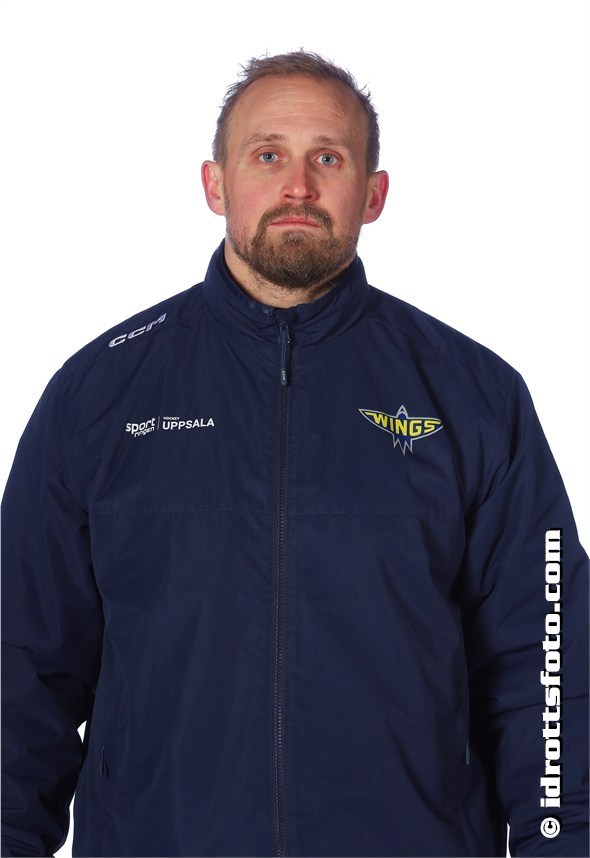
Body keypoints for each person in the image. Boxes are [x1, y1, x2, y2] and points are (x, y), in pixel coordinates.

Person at [1, 50, 588, 858]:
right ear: (215, 184)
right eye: (268, 155)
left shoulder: (474, 397)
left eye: (329, 159)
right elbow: (20, 671)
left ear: (373, 194)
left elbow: (550, 666)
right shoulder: (99, 395)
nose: (299, 186)